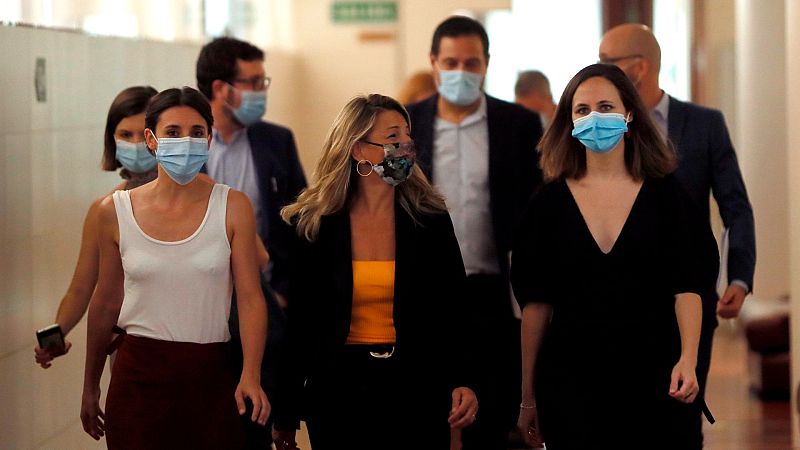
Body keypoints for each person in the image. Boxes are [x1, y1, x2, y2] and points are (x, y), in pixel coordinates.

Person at [512, 63, 719, 449]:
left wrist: (689, 359)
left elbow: (689, 286)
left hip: (656, 374)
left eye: (606, 107)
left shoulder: (667, 196)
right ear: (569, 121)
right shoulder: (547, 204)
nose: (594, 117)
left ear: (629, 114)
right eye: (582, 109)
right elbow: (535, 306)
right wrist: (528, 396)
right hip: (572, 381)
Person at [273, 94, 478, 450]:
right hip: (339, 388)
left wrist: (464, 379)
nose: (405, 146)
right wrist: (286, 410)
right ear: (358, 150)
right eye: (392, 137)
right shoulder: (316, 223)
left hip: (417, 384)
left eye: (407, 136)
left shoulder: (428, 218)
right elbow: (302, 319)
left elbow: (454, 306)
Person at [80, 87, 270, 449]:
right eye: (173, 132)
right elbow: (105, 302)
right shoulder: (114, 211)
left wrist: (251, 374)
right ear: (152, 140)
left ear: (209, 139)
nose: (186, 141)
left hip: (210, 373)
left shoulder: (233, 206)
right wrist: (91, 386)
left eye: (196, 132)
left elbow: (250, 298)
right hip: (138, 376)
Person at [599, 23, 756, 443]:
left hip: (690, 295)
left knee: (681, 419)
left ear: (638, 67)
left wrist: (738, 277)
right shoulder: (601, 126)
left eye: (607, 61)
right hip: (618, 297)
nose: (600, 71)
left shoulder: (704, 124)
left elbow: (735, 206)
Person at [404, 15, 543, 449]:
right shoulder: (408, 123)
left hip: (494, 288)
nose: (461, 72)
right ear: (433, 62)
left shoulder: (519, 124)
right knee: (426, 410)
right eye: (451, 63)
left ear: (486, 64)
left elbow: (536, 206)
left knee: (493, 409)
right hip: (425, 288)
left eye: (471, 63)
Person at [196, 36, 307, 448]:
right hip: (200, 311)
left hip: (264, 306)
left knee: (253, 425)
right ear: (221, 88)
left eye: (264, 81)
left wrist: (283, 294)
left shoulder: (277, 141)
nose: (262, 91)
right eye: (254, 82)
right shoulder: (189, 147)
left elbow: (300, 223)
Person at [34, 86, 158, 369]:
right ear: (112, 140)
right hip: (130, 350)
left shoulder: (196, 197)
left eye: (144, 134)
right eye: (125, 135)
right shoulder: (105, 209)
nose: (136, 144)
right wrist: (57, 335)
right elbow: (81, 288)